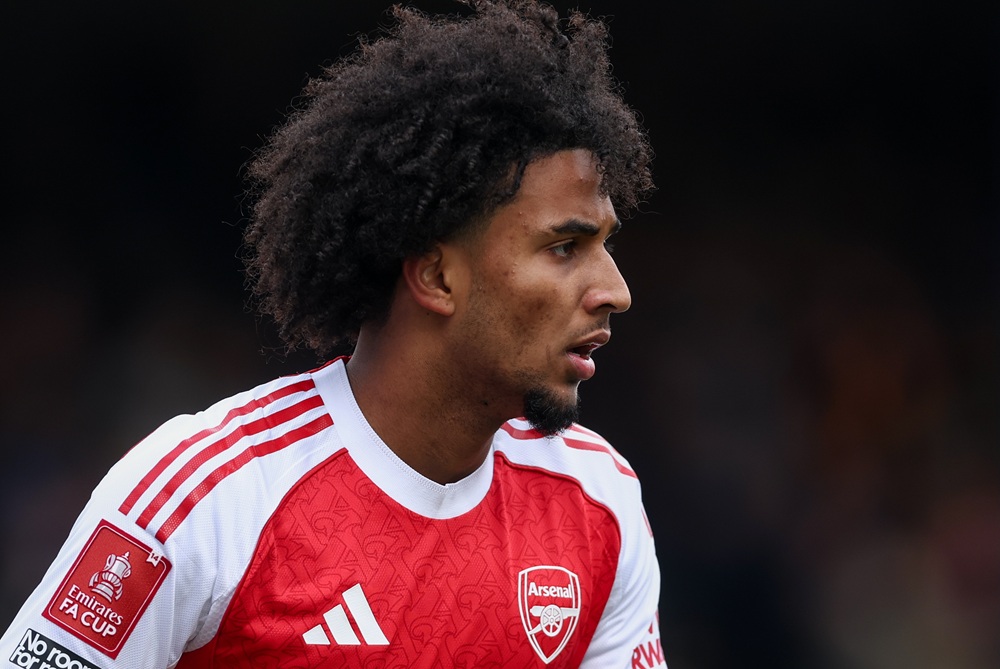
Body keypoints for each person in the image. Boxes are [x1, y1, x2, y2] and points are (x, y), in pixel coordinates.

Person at [0, 1, 664, 666]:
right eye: (565, 247)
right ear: (436, 275)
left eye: (605, 243)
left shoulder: (596, 500)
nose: (615, 290)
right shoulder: (204, 498)